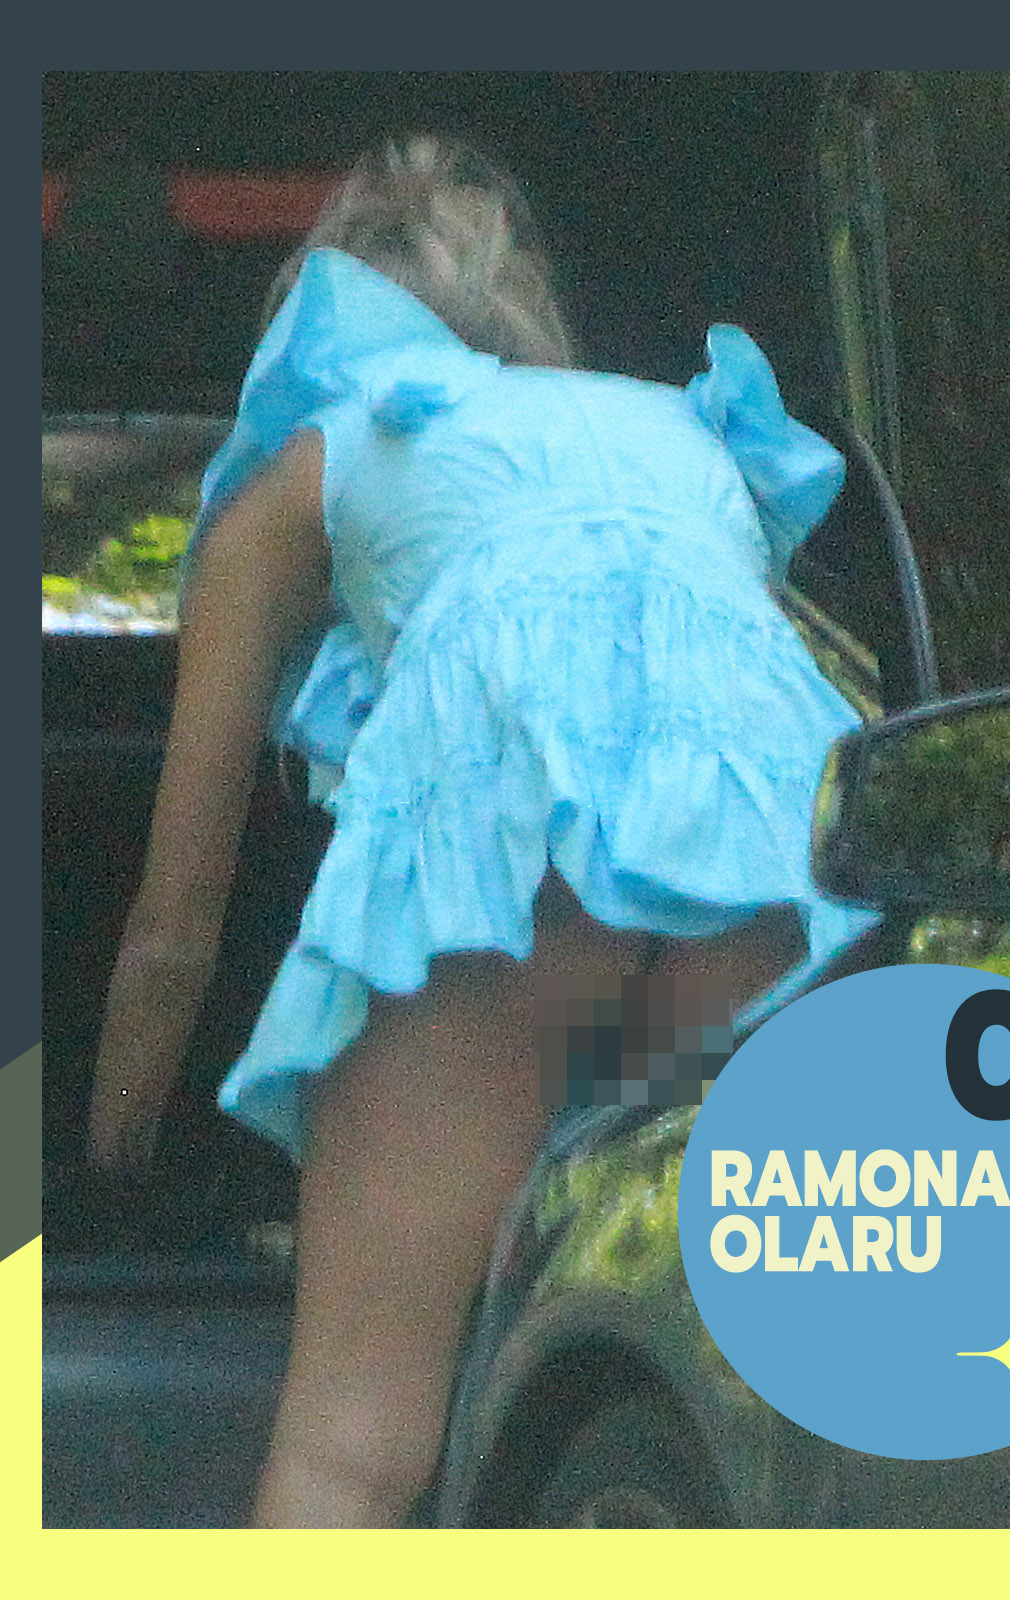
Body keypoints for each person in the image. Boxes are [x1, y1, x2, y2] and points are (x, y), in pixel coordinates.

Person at [87, 134, 878, 1528]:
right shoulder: (693, 435)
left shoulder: (322, 456)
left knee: (349, 1446)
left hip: (509, 875)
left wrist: (112, 1161)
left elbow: (172, 930)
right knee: (758, 1423)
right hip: (774, 869)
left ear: (315, 321)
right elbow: (720, 687)